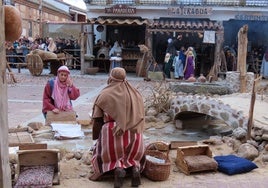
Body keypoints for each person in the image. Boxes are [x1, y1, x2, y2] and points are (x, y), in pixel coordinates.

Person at [89, 67, 145, 188]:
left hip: (113, 132)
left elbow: (97, 120)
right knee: (131, 154)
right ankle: (134, 167)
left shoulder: (104, 94)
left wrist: (96, 138)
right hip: (134, 132)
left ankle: (117, 168)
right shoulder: (135, 93)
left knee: (103, 151)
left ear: (111, 78)